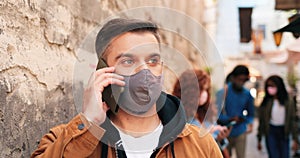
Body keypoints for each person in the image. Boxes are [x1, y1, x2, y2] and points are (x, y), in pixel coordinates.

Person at [31, 18, 222, 157]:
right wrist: (88, 124)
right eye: (128, 61)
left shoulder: (201, 145)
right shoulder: (63, 140)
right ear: (103, 70)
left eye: (153, 60)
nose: (145, 71)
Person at [172, 69, 230, 158]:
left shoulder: (207, 112)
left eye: (206, 90)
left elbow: (218, 148)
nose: (204, 94)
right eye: (202, 89)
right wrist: (206, 135)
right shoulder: (178, 116)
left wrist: (219, 137)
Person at [215, 65, 255, 158]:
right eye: (239, 79)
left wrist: (246, 121)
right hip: (224, 132)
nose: (241, 82)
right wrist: (229, 119)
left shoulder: (247, 94)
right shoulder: (223, 93)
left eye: (243, 80)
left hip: (240, 130)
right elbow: (216, 115)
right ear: (233, 78)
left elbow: (251, 114)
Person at [257, 75, 299, 158]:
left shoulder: (288, 101)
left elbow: (293, 120)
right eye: (268, 86)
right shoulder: (266, 102)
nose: (270, 88)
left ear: (279, 86)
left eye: (272, 85)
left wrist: (295, 139)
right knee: (273, 155)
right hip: (271, 131)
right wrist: (259, 138)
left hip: (284, 131)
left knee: (284, 155)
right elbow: (262, 121)